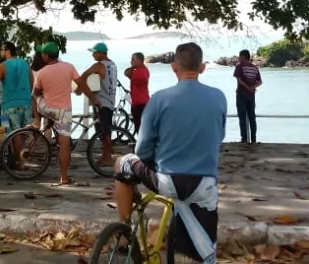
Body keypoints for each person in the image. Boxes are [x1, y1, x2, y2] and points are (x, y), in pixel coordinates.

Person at [113, 43, 227, 264]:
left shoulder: (159, 99)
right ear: (202, 67)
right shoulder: (219, 97)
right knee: (205, 254)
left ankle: (124, 233)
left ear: (174, 67)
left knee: (122, 163)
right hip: (204, 184)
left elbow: (142, 149)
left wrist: (155, 163)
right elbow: (218, 137)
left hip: (168, 181)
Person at [33, 42, 99, 186]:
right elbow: (81, 84)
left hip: (47, 109)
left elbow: (36, 93)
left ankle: (38, 121)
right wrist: (94, 99)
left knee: (36, 97)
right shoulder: (69, 67)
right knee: (64, 144)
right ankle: (64, 177)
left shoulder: (42, 72)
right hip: (64, 112)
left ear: (45, 56)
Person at [80, 42, 117, 167]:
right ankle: (105, 156)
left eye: (94, 52)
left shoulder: (99, 66)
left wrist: (85, 92)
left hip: (102, 102)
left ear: (101, 53)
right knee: (106, 131)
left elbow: (83, 76)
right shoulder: (113, 65)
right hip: (111, 101)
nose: (93, 55)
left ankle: (107, 157)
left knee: (103, 132)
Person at [0, 42, 34, 129]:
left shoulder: (2, 66)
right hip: (26, 103)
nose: (0, 52)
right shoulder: (25, 63)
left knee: (15, 134)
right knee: (26, 132)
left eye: (1, 50)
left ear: (8, 51)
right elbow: (32, 81)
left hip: (10, 105)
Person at [233, 50, 262, 145]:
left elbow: (239, 80)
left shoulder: (239, 66)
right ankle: (253, 139)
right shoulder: (255, 68)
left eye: (239, 56)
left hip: (241, 95)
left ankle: (244, 139)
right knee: (252, 118)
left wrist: (247, 88)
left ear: (243, 57)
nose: (238, 58)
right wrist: (252, 87)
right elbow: (260, 82)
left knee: (242, 117)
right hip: (251, 96)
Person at [124, 52, 150, 136]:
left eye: (133, 60)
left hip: (141, 103)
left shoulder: (142, 72)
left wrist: (132, 70)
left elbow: (130, 75)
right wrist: (132, 67)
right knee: (138, 125)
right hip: (136, 102)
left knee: (141, 127)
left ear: (139, 60)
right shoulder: (137, 70)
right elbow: (126, 73)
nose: (131, 61)